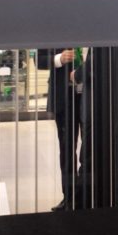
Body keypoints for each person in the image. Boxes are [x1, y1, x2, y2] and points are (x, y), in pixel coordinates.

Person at [72, 45, 118, 208]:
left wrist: (77, 74)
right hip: (117, 102)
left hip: (101, 104)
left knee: (91, 155)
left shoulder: (106, 35)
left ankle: (87, 202)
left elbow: (95, 62)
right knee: (116, 156)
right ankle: (115, 201)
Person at [37, 48, 82, 211]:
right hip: (63, 98)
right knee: (67, 150)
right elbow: (39, 60)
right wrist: (59, 59)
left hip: (90, 96)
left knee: (91, 150)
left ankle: (85, 195)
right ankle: (70, 198)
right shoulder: (50, 34)